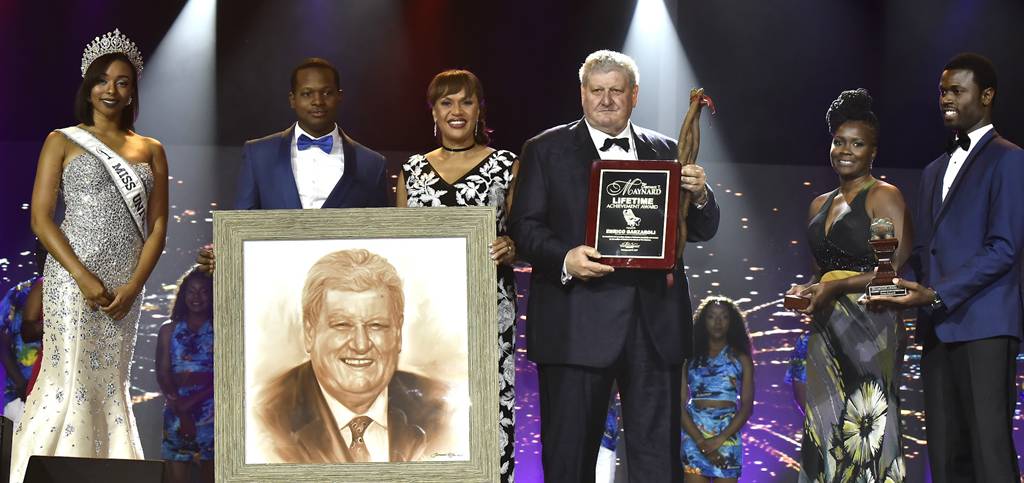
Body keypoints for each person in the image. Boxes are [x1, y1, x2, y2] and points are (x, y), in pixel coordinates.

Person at [509, 49, 720, 482]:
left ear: (635, 95)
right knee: (569, 461)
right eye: (597, 91)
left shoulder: (666, 150)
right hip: (575, 324)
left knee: (658, 462)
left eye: (616, 91)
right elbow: (524, 228)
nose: (606, 100)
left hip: (653, 327)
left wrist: (700, 195)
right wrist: (565, 258)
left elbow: (697, 231)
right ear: (582, 94)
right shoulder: (544, 150)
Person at [10, 29, 168, 483]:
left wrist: (134, 285)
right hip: (71, 278)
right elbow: (42, 218)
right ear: (87, 86)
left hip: (126, 284)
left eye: (122, 82)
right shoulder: (62, 139)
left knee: (110, 382)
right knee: (71, 377)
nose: (111, 90)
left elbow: (157, 226)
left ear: (133, 90)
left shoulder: (152, 150)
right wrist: (81, 276)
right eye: (102, 80)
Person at [866, 53, 1024, 482]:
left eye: (957, 90)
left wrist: (936, 293)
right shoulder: (935, 170)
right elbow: (927, 253)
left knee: (990, 451)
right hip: (937, 328)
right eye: (942, 91)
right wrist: (897, 287)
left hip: (985, 326)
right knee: (946, 453)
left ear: (987, 95)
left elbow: (1004, 248)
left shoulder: (1010, 160)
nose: (946, 99)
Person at [395, 69, 518, 481]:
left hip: (487, 318)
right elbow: (398, 249)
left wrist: (512, 247)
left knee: (484, 419)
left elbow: (525, 236)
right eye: (446, 102)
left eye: (466, 101)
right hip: (425, 322)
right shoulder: (412, 171)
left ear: (480, 109)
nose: (457, 110)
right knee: (426, 421)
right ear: (433, 112)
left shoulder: (506, 166)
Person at [788, 88, 909, 482]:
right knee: (824, 426)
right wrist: (805, 290)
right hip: (826, 329)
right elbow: (821, 272)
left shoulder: (883, 196)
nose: (845, 150)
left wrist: (836, 288)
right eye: (839, 141)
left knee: (866, 426)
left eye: (857, 144)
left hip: (870, 327)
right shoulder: (818, 203)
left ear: (873, 151)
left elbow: (890, 274)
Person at [255, 249, 452, 463]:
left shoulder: (446, 410)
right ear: (310, 331)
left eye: (376, 325)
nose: (361, 344)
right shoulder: (260, 419)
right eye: (342, 325)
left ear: (397, 332)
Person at [196, 57, 389, 271]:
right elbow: (244, 223)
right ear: (292, 99)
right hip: (274, 278)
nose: (318, 101)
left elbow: (380, 240)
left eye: (327, 92)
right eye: (307, 93)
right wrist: (222, 257)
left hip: (340, 287)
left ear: (339, 97)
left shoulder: (372, 164)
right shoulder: (258, 154)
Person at [679, 296, 754, 482]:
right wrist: (700, 441)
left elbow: (746, 407)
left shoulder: (741, 359)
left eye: (724, 317)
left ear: (732, 321)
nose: (718, 322)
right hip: (694, 433)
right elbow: (678, 405)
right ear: (703, 321)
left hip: (727, 435)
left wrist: (719, 440)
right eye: (712, 316)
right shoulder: (689, 358)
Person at [156, 268, 214, 483]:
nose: (196, 297)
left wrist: (191, 403)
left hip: (213, 414)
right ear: (183, 295)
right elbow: (163, 372)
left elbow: (222, 377)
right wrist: (180, 408)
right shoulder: (168, 330)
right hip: (176, 412)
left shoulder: (222, 329)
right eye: (191, 292)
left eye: (203, 292)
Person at [0, 248, 45, 422]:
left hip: (52, 386)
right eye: (42, 252)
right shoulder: (19, 293)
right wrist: (20, 383)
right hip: (19, 393)